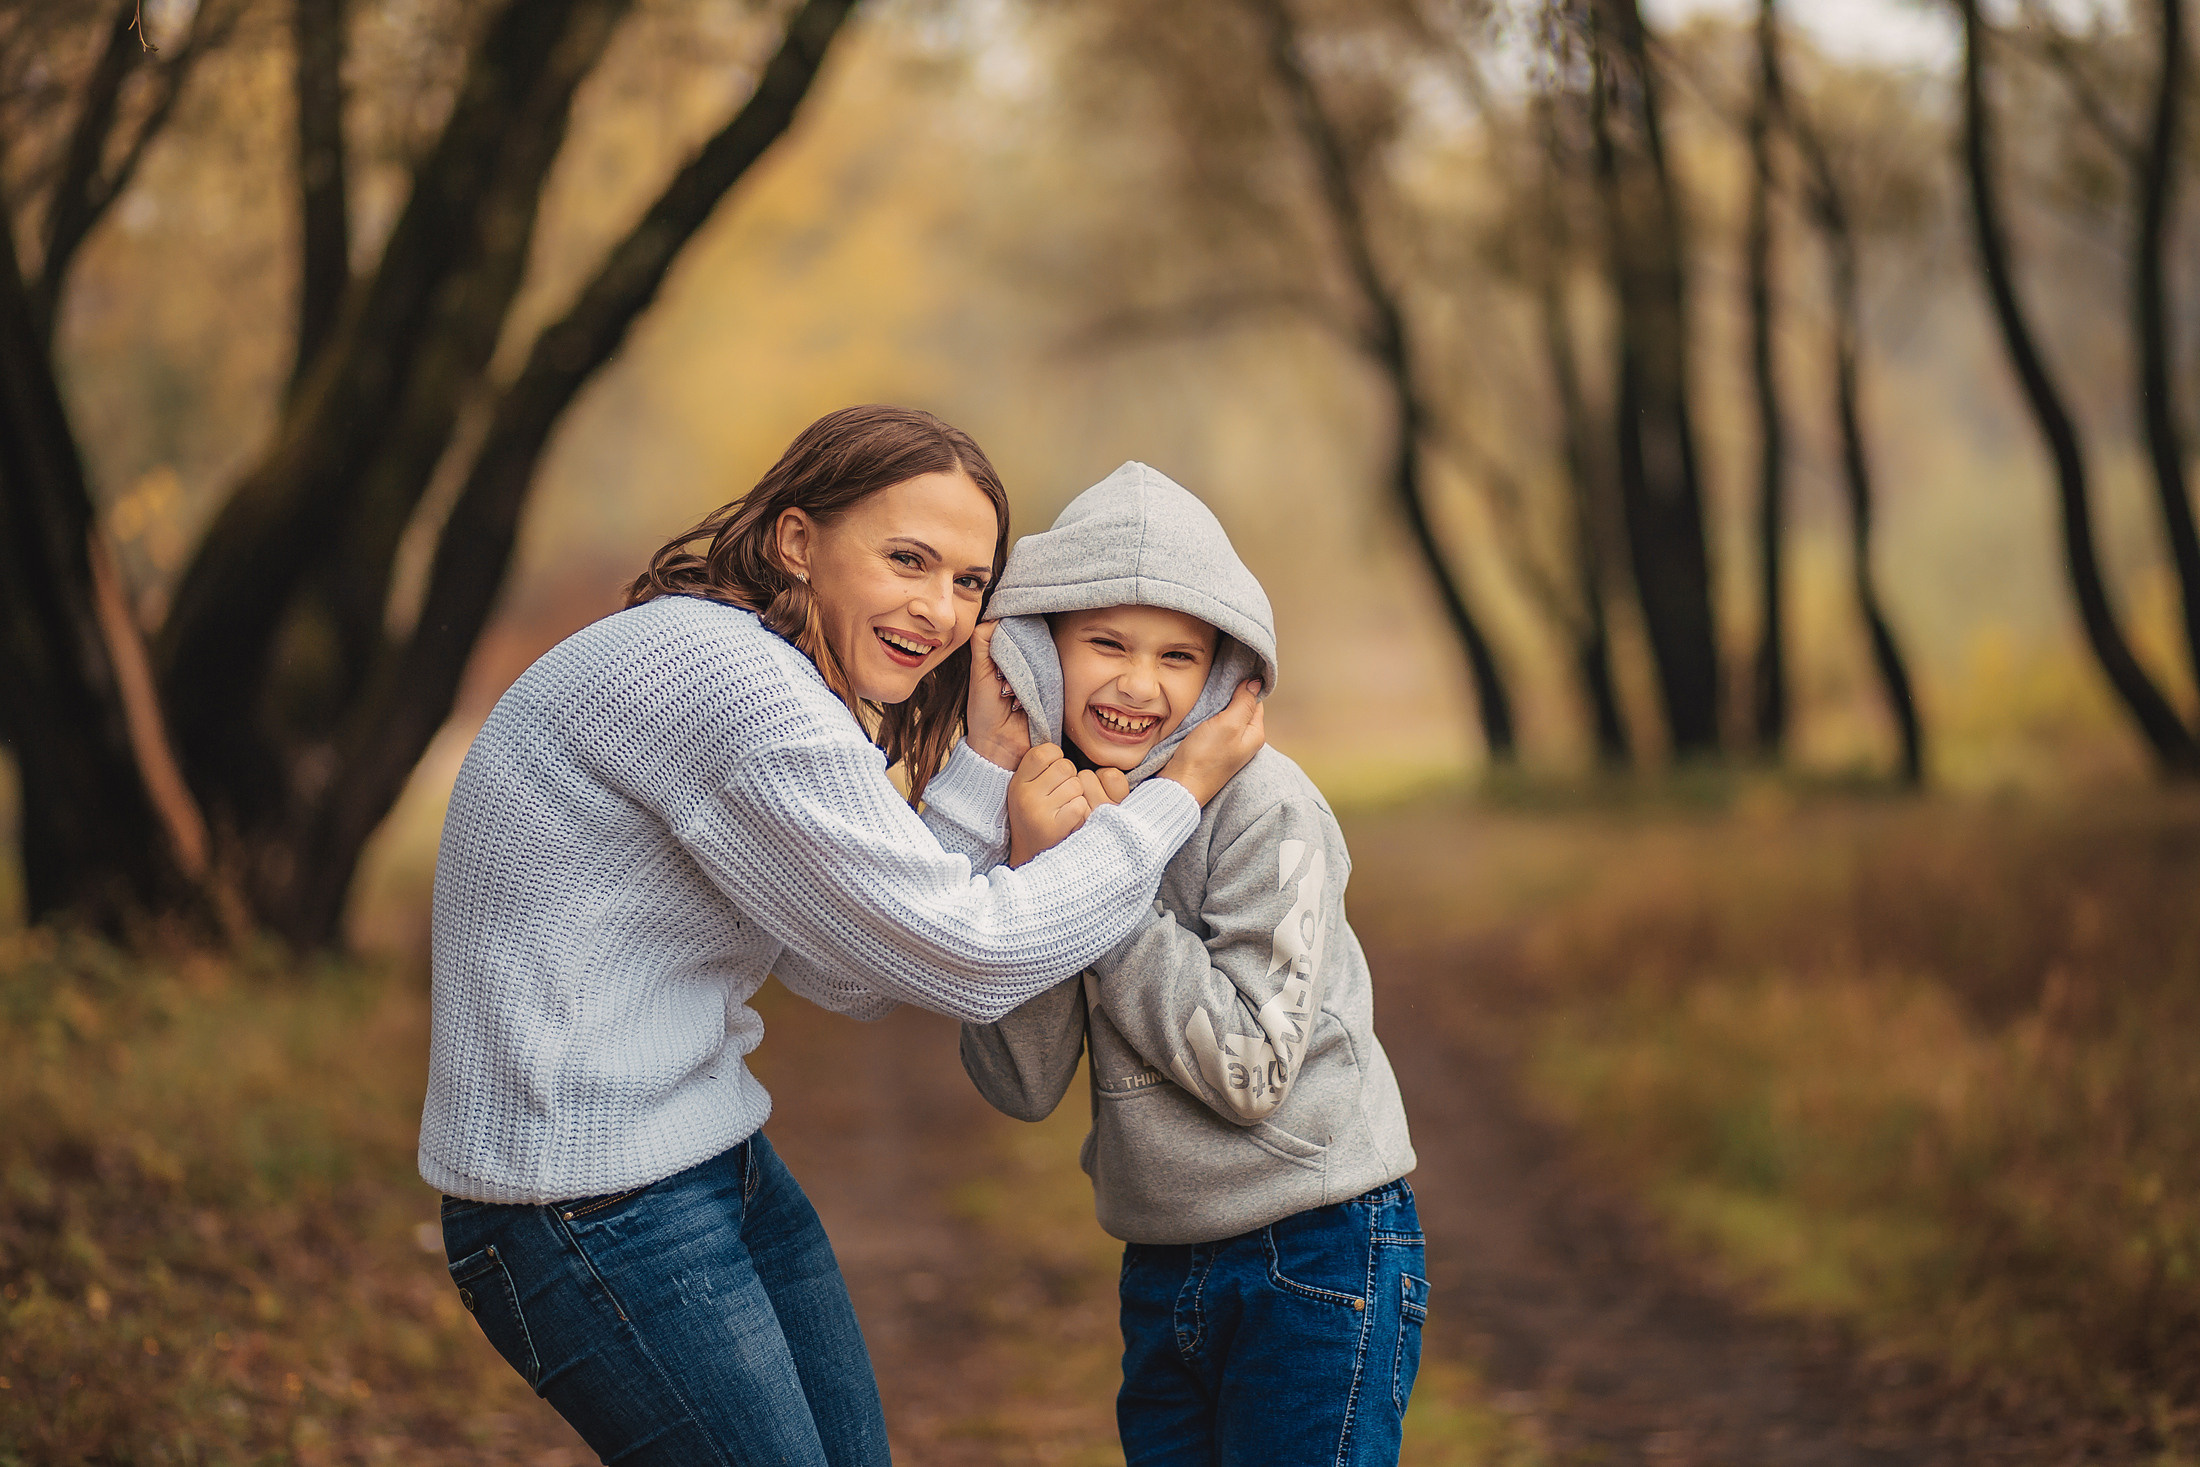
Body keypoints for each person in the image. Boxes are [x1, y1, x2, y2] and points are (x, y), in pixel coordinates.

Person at [421, 410, 1264, 1467]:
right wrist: (1177, 795)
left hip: (703, 1159)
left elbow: (851, 972)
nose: (939, 610)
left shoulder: (753, 669)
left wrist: (984, 764)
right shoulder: (738, 690)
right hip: (580, 1202)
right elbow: (973, 957)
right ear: (797, 541)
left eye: (968, 581)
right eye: (907, 559)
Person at [956, 461, 1422, 1467]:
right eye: (1105, 642)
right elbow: (1019, 1082)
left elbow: (1252, 1070)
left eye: (1178, 655)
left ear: (1221, 671)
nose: (1139, 684)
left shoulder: (1267, 807)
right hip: (1161, 1258)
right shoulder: (1048, 806)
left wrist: (1096, 875)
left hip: (1315, 1247)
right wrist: (1032, 876)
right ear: (1042, 644)